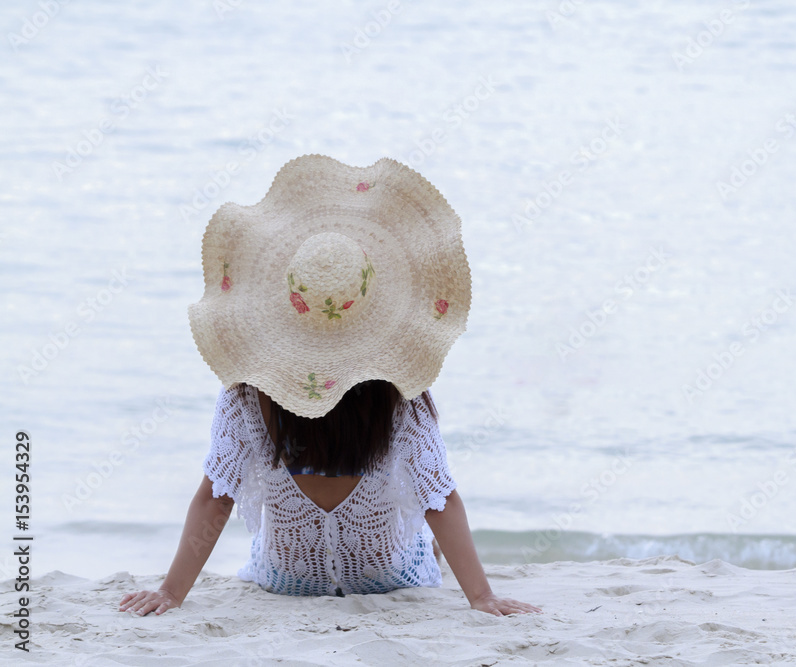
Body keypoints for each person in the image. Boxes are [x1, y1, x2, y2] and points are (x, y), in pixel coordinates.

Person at [119, 155, 540, 617]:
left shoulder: (247, 389)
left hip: (285, 579)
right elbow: (440, 498)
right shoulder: (399, 386)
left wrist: (170, 593)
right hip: (388, 579)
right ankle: (429, 558)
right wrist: (482, 597)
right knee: (421, 523)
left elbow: (215, 499)